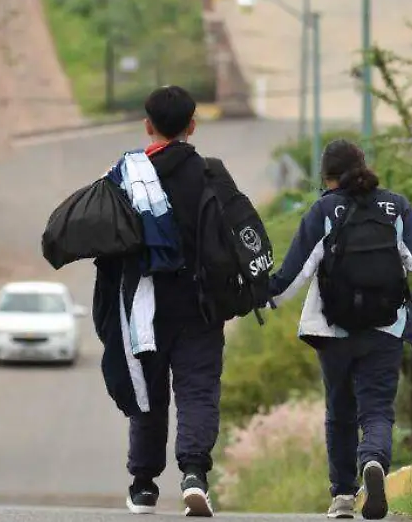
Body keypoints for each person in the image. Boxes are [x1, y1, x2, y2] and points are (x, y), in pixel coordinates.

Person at [266, 140, 412, 520]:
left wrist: (260, 298)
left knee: (340, 410)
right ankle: (373, 460)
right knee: (376, 408)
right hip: (387, 327)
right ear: (363, 167)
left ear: (326, 177)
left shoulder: (324, 209)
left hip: (333, 328)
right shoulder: (395, 206)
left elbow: (292, 276)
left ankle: (342, 494)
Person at [91, 85, 231, 517]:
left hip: (144, 307)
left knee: (147, 393)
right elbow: (234, 238)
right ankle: (194, 475)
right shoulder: (212, 173)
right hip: (201, 305)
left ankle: (144, 485)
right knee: (198, 391)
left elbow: (106, 242)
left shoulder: (126, 175)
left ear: (148, 125)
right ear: (192, 125)